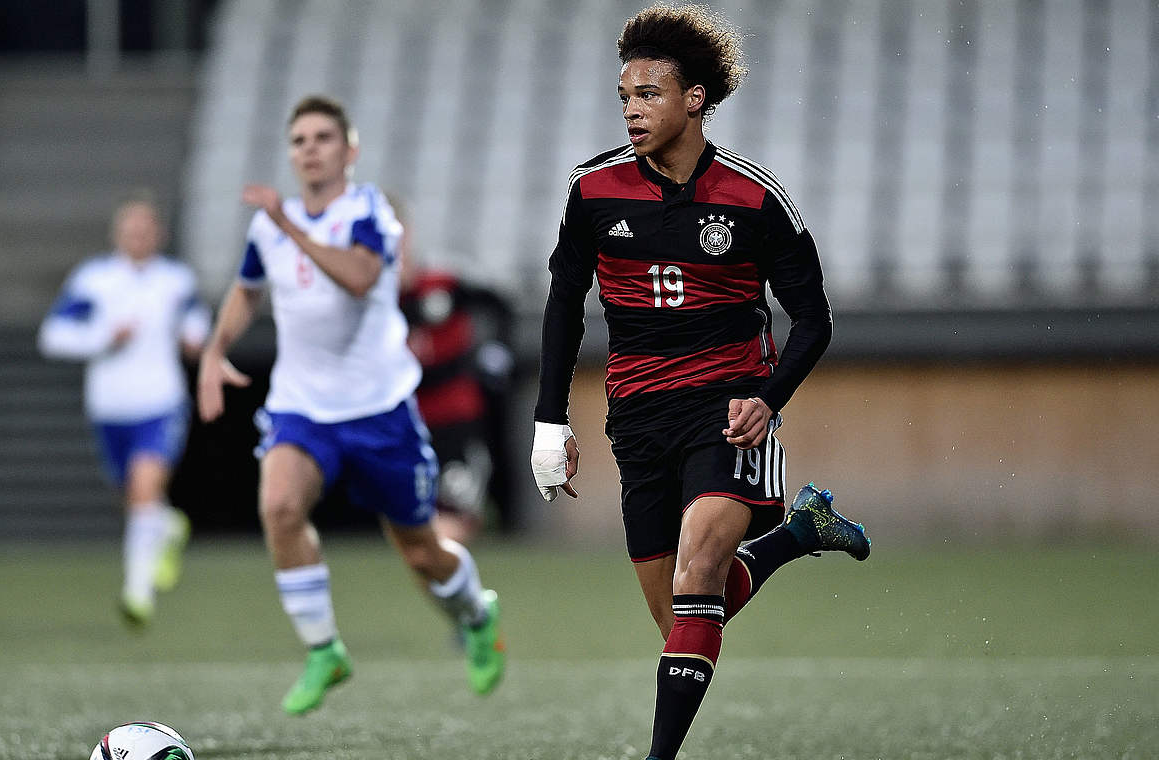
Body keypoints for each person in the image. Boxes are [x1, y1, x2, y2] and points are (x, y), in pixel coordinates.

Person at [529, 6, 871, 759]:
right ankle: (796, 537)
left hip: (727, 409)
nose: (631, 109)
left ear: (695, 98)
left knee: (696, 573)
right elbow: (562, 305)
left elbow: (813, 318)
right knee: (683, 612)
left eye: (648, 93)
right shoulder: (592, 191)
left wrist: (768, 398)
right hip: (637, 415)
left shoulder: (755, 197)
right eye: (624, 95)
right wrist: (549, 423)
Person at [197, 95, 505, 716]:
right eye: (299, 140)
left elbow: (361, 277)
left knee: (422, 551)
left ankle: (476, 614)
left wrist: (290, 226)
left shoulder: (369, 213)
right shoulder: (269, 228)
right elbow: (247, 289)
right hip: (302, 407)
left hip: (379, 412)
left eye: (322, 138)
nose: (309, 149)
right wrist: (215, 348)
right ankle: (323, 650)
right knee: (280, 505)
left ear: (349, 150)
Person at [38, 194, 209, 627]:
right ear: (118, 235)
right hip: (109, 406)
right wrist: (103, 337)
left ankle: (137, 592)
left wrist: (195, 342)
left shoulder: (175, 280)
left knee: (144, 487)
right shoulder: (94, 280)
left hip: (159, 401)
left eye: (146, 229)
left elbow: (197, 325)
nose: (138, 237)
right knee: (131, 498)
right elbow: (53, 335)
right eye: (131, 230)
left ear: (159, 235)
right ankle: (167, 527)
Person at [395, 203, 515, 544]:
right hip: (406, 423)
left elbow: (499, 301)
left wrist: (496, 351)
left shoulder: (444, 280)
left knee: (451, 519)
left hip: (455, 418)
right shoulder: (372, 300)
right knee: (416, 523)